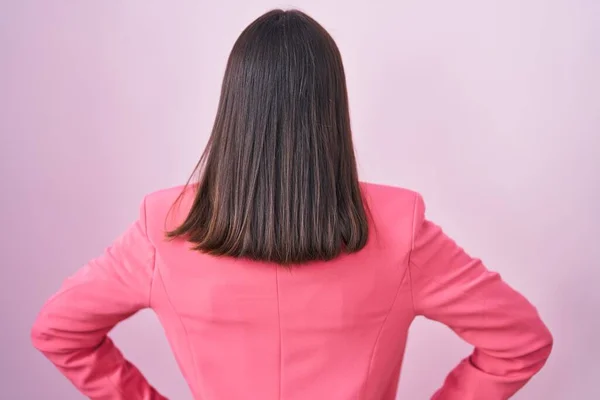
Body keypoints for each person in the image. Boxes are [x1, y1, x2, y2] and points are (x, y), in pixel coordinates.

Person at [30, 9, 553, 400]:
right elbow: (521, 341)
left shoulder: (165, 227)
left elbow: (58, 332)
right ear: (332, 109)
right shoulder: (400, 226)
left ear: (235, 107)